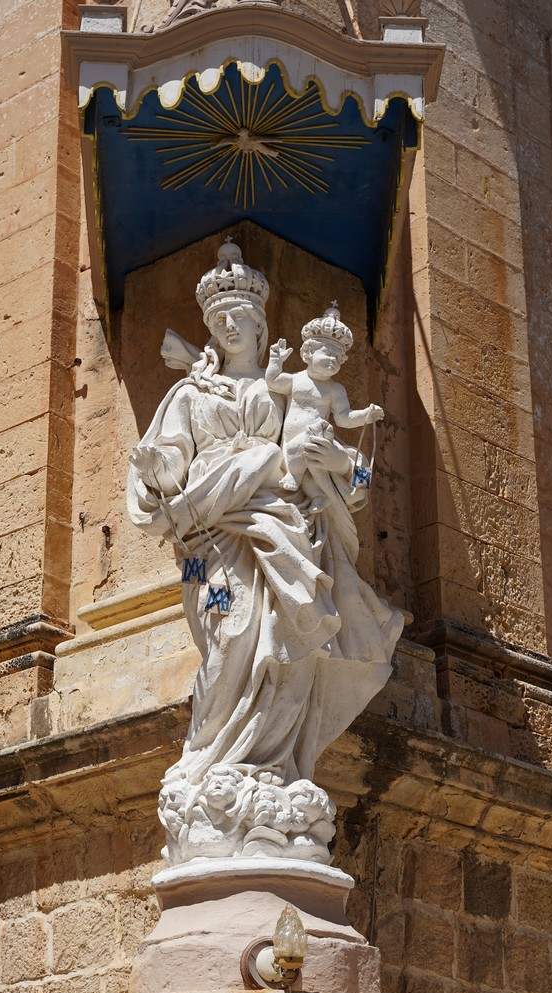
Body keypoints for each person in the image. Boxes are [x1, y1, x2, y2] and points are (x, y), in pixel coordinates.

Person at [127, 241, 404, 864]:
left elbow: (338, 470)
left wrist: (336, 464)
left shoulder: (289, 392)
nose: (229, 325)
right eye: (219, 319)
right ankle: (210, 761)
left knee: (285, 645)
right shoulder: (189, 395)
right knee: (229, 635)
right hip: (208, 548)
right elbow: (166, 464)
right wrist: (158, 470)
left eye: (241, 317)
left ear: (259, 323)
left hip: (282, 532)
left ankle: (269, 770)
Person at [266, 304, 384, 513]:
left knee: (358, 462)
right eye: (328, 353)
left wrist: (366, 415)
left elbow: (344, 418)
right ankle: (306, 485)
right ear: (308, 353)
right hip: (292, 440)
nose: (333, 360)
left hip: (320, 438)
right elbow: (273, 382)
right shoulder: (297, 380)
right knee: (301, 458)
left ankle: (342, 493)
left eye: (338, 358)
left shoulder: (335, 390)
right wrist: (276, 360)